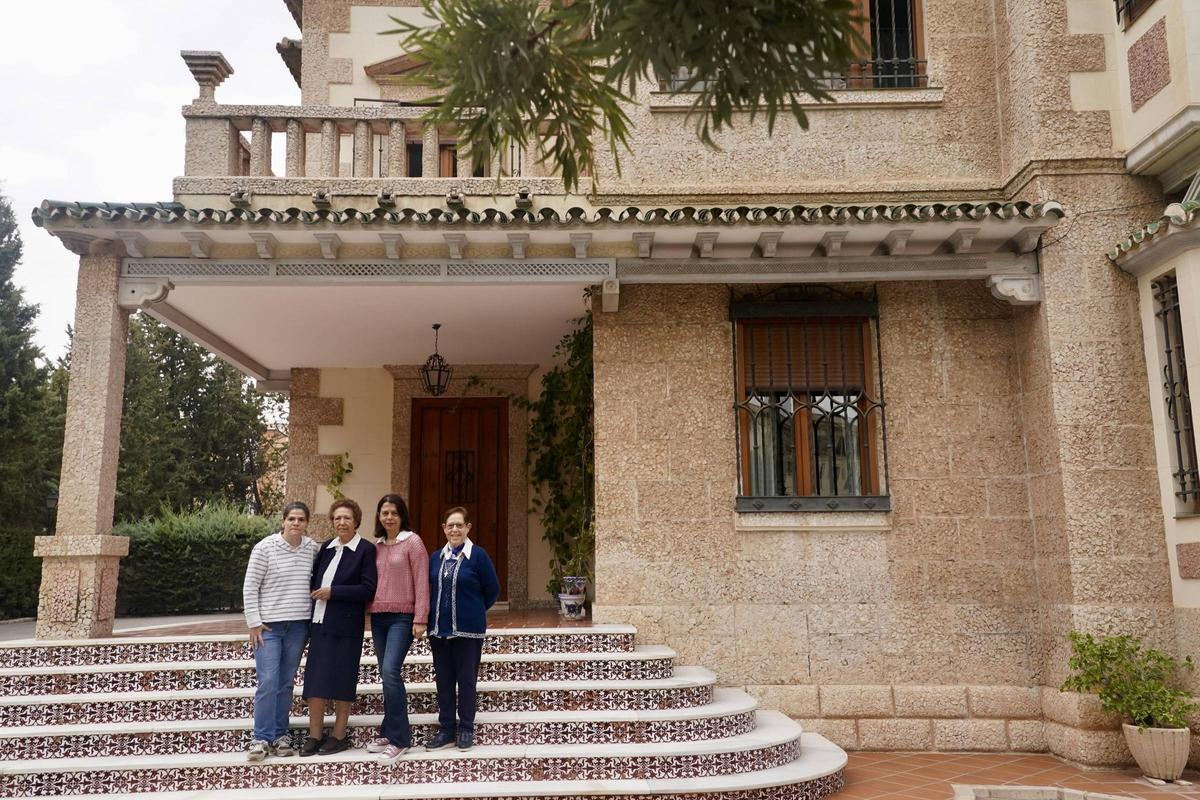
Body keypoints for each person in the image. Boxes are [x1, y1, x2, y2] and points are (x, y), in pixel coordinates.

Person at [242, 501, 319, 762]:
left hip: (298, 626)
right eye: (291, 519)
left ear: (307, 523)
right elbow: (250, 586)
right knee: (268, 680)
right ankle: (261, 738)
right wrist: (253, 621)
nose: (296, 523)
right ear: (283, 521)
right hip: (269, 627)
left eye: (301, 519)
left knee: (286, 682)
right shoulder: (264, 548)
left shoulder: (312, 549)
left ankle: (279, 735)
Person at [299, 498, 377, 756]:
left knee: (343, 680)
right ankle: (314, 735)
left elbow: (367, 588)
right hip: (320, 623)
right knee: (315, 681)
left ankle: (339, 735)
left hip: (346, 626)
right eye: (337, 518)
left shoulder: (365, 549)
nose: (341, 522)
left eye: (346, 518)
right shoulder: (327, 548)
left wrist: (334, 592)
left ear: (356, 521)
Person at [425, 506, 500, 751]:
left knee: (466, 680)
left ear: (468, 528)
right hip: (439, 631)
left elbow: (492, 591)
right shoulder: (435, 558)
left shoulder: (478, 556)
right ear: (444, 529)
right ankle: (446, 728)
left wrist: (473, 610)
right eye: (450, 525)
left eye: (460, 525)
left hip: (468, 632)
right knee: (443, 681)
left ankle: (466, 727)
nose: (455, 529)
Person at [365, 494, 430, 764]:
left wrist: (421, 617)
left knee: (391, 670)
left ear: (401, 515)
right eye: (384, 513)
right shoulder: (375, 546)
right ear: (379, 517)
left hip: (403, 617)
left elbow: (422, 581)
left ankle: (400, 739)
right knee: (385, 673)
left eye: (393, 512)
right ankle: (387, 730)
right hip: (378, 617)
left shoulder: (413, 542)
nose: (389, 517)